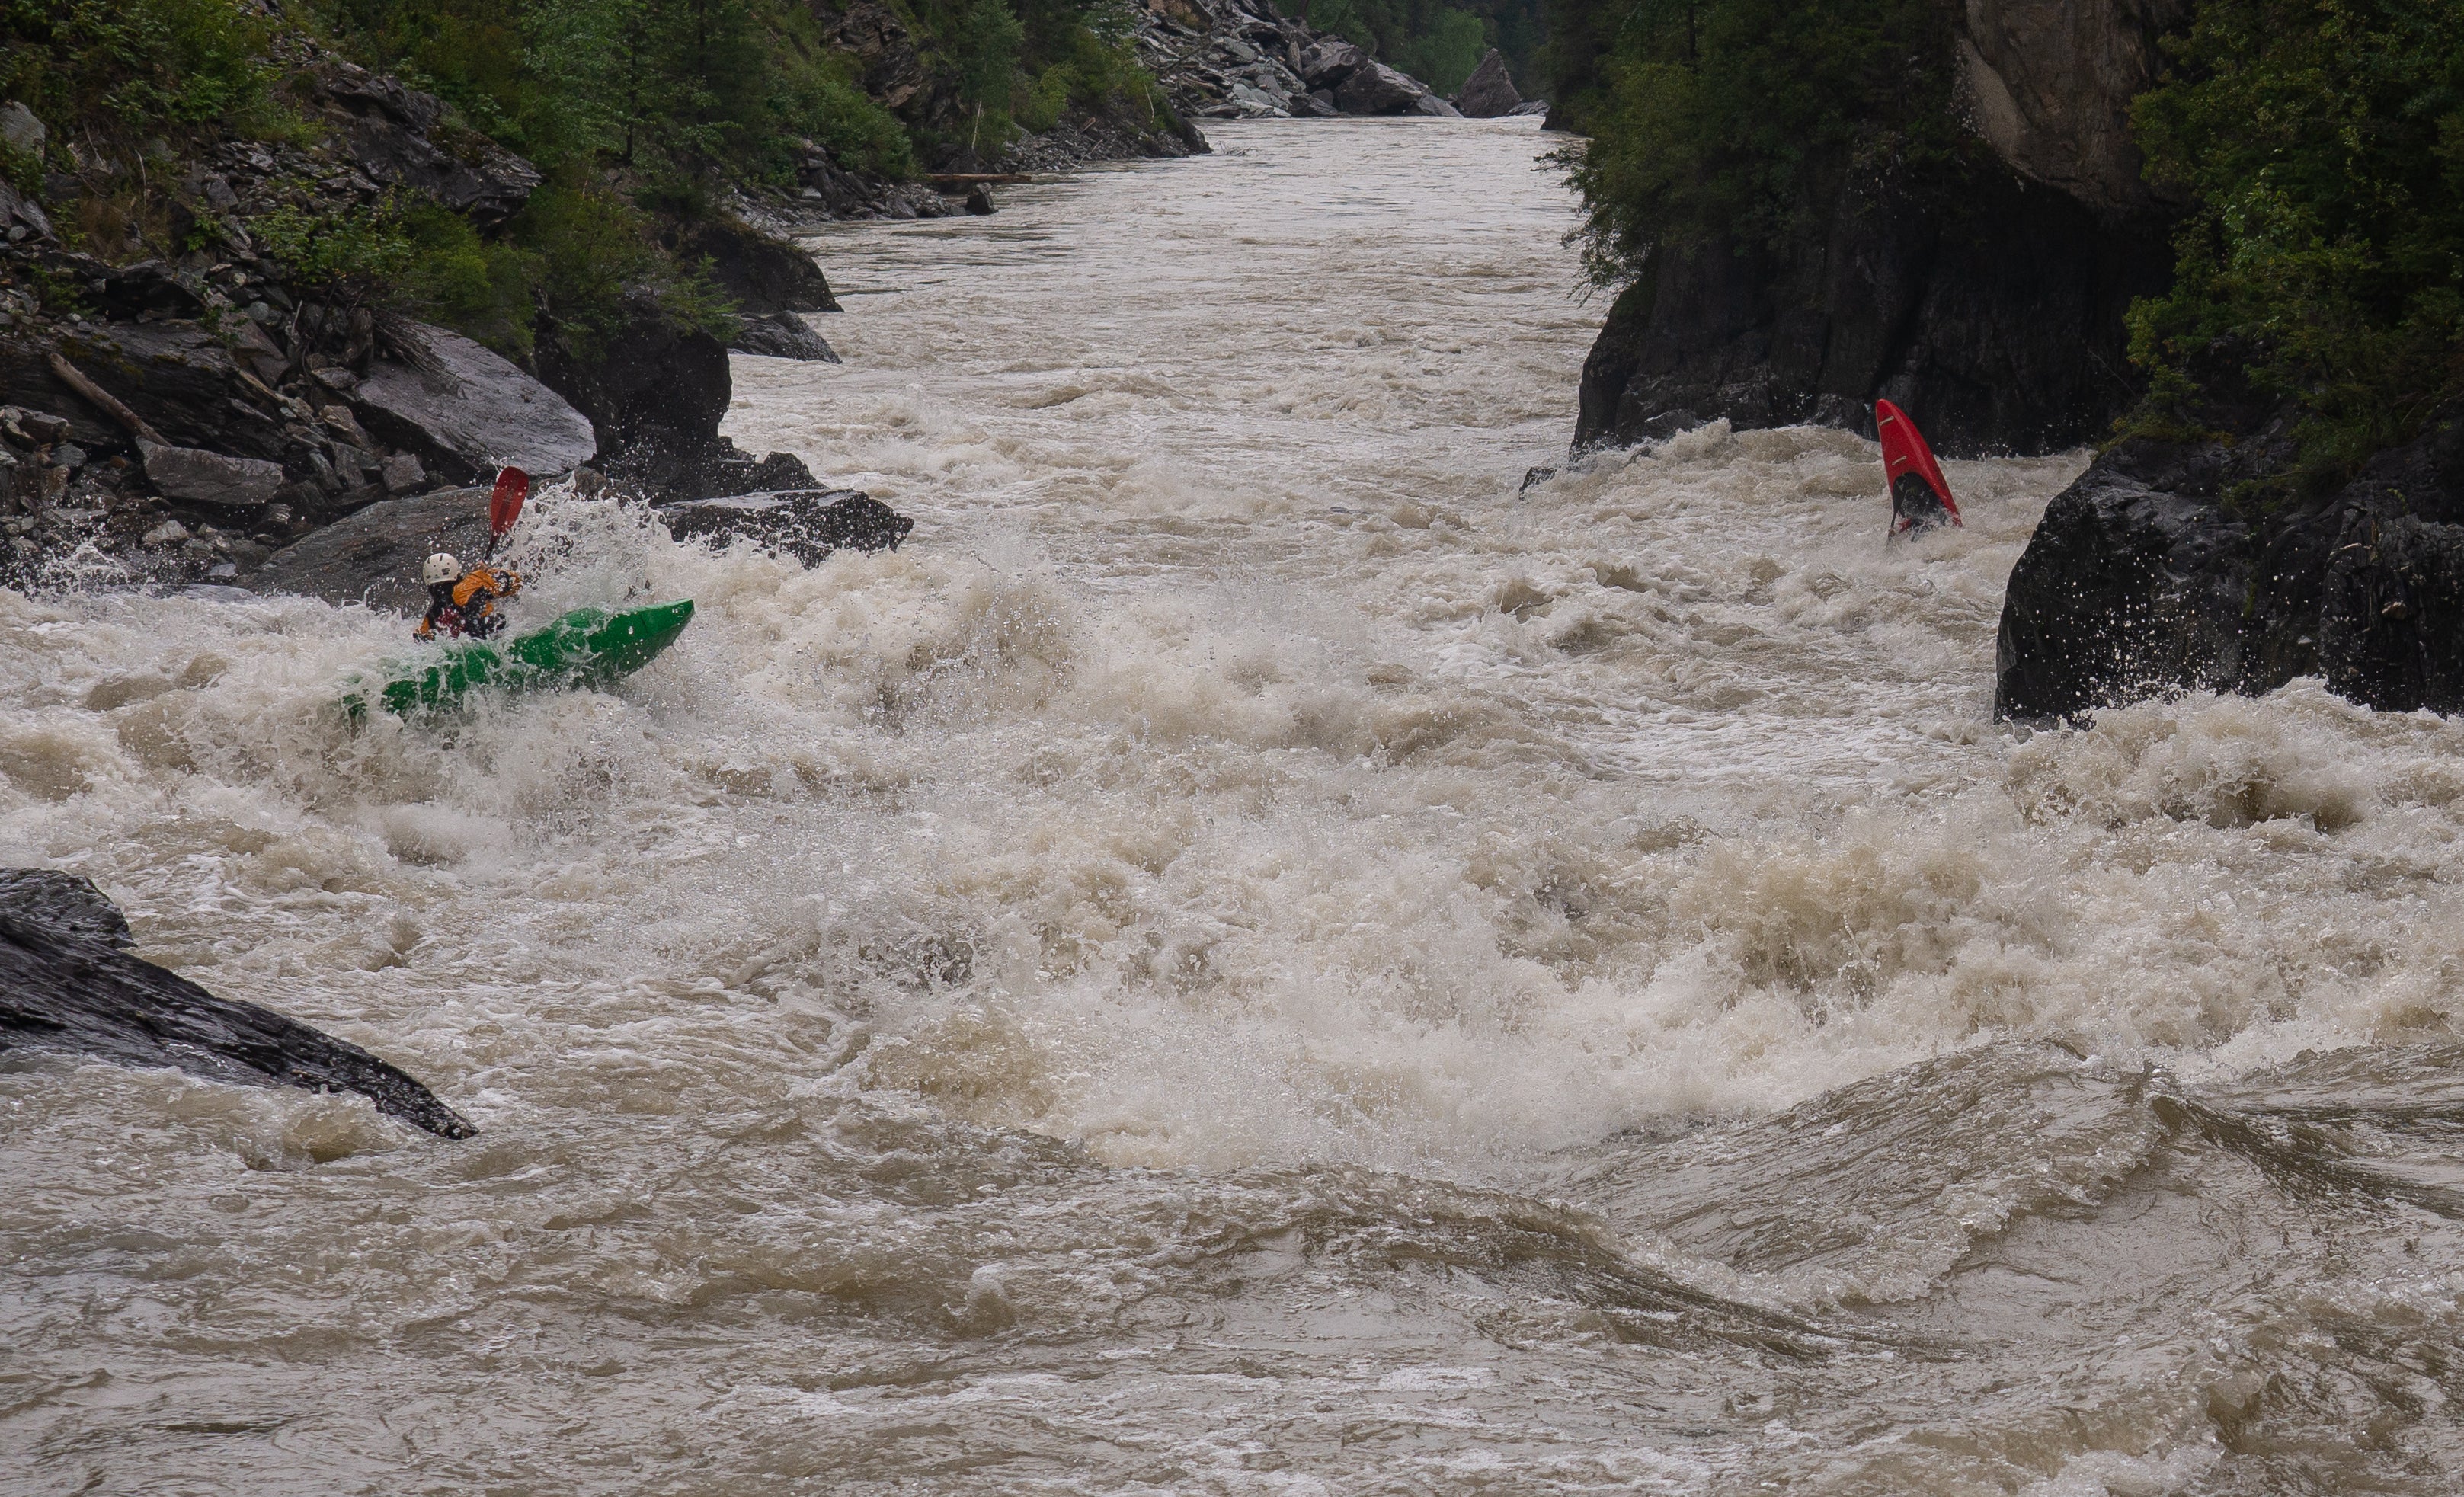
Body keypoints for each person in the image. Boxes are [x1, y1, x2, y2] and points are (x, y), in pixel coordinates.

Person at [414, 552, 522, 640]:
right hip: (495, 633)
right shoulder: (472, 582)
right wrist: (487, 570)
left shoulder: (432, 616)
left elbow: (420, 638)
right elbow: (514, 581)